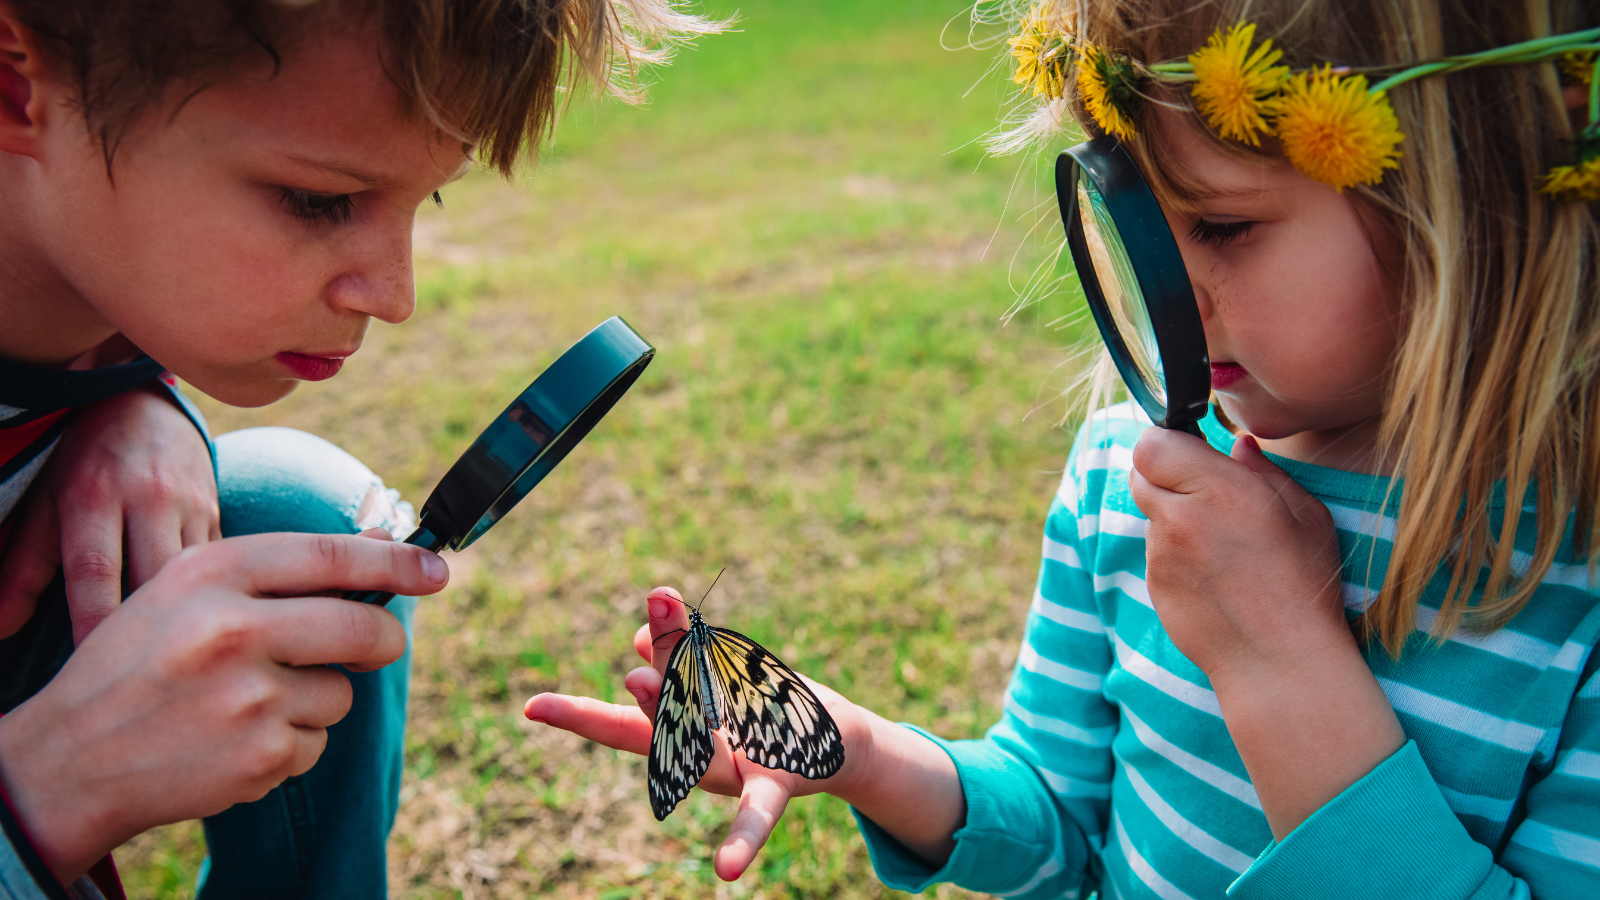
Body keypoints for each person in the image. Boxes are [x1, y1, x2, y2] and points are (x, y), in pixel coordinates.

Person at [526, 0, 1600, 896]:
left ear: (1480, 194)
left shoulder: (1574, 571)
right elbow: (1062, 820)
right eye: (1139, 226)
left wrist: (1279, 659)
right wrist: (864, 754)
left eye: (1223, 227)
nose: (1163, 294)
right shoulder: (1123, 474)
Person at [0, 1, 718, 898]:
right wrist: (44, 791)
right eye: (320, 200)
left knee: (304, 514)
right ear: (17, 84)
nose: (395, 294)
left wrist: (140, 397)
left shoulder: (106, 317)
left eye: (430, 195)